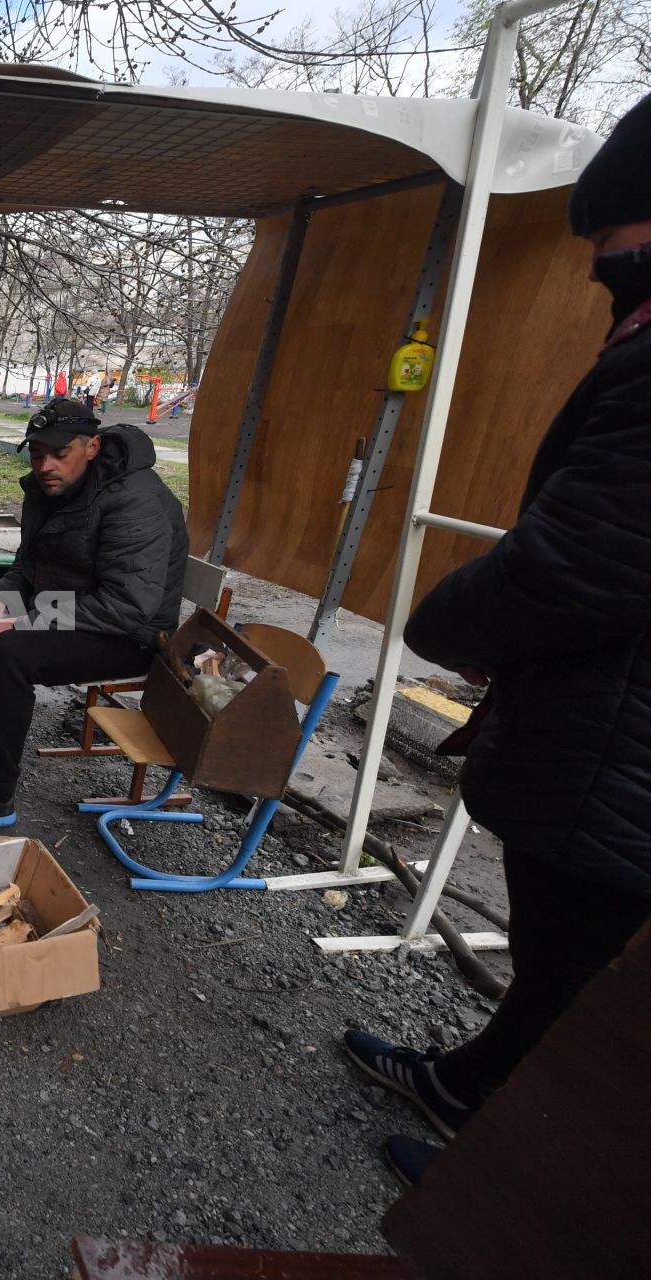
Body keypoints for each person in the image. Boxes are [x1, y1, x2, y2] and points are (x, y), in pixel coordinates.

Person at [342, 92, 651, 1187]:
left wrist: (442, 625)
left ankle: (512, 1198)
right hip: (606, 740)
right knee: (558, 968)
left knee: (588, 996)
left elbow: (581, 562)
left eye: (611, 242)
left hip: (617, 757)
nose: (598, 269)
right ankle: (472, 1085)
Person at [0, 397, 187, 827]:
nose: (46, 466)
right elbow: (26, 564)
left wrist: (14, 623)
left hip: (129, 634)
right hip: (64, 607)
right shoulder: (45, 489)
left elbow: (126, 606)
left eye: (60, 454)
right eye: (37, 455)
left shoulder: (135, 500)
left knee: (12, 653)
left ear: (91, 448)